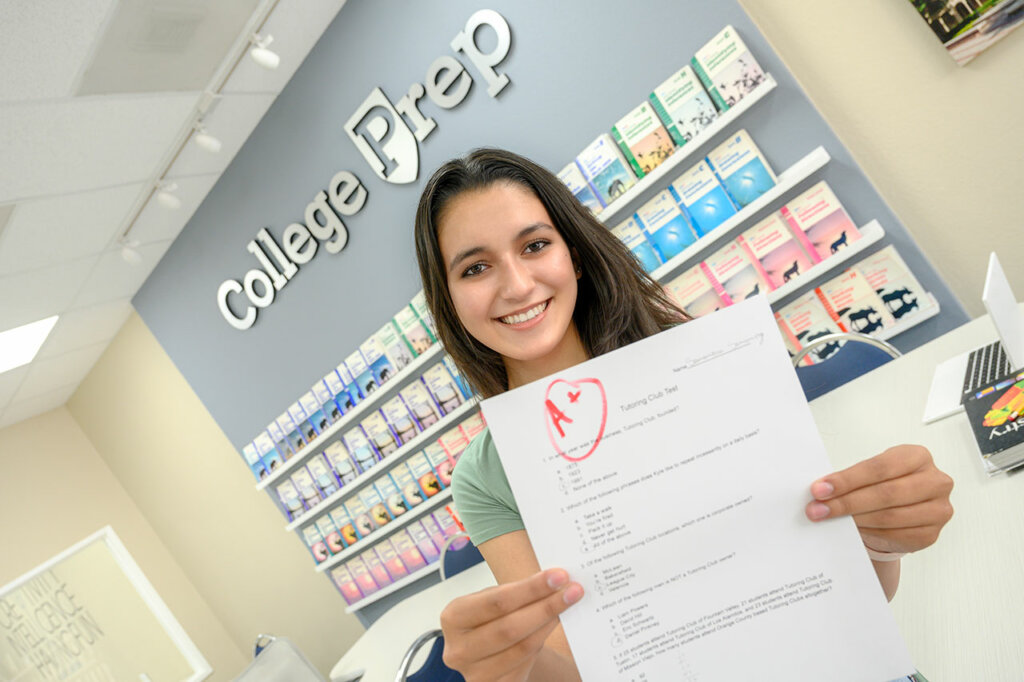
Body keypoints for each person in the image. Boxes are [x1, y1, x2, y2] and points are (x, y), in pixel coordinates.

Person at [413, 148, 954, 681]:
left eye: (534, 245)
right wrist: (515, 669)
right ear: (450, 299)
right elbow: (576, 667)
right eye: (476, 267)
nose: (516, 285)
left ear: (573, 254)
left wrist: (883, 540)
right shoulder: (486, 476)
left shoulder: (707, 365)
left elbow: (858, 594)